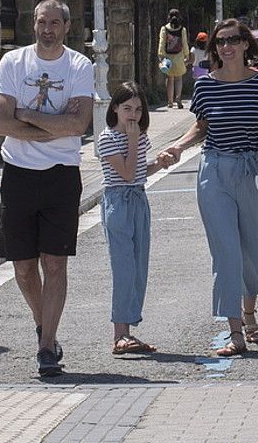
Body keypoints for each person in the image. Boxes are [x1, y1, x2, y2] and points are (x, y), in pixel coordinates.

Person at [158, 19, 258, 357]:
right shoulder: (205, 86)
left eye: (233, 40)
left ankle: (250, 315)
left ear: (245, 44)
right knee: (225, 250)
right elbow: (201, 128)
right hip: (215, 171)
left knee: (255, 247)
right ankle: (235, 331)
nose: (226, 47)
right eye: (220, 42)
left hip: (252, 169)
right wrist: (178, 146)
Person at [0, 0, 94, 377]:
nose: (47, 29)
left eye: (54, 23)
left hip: (62, 175)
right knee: (23, 267)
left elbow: (79, 125)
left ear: (66, 26)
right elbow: (1, 123)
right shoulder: (13, 63)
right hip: (18, 173)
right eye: (41, 22)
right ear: (32, 25)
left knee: (55, 262)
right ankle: (42, 322)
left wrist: (29, 115)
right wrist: (53, 125)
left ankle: (47, 346)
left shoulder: (79, 66)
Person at [97, 81, 173, 355]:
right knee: (124, 269)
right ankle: (120, 334)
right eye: (127, 108)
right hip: (118, 200)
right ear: (115, 108)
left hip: (139, 198)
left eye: (138, 109)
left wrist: (160, 163)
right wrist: (131, 140)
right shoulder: (107, 138)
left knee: (140, 267)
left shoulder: (139, 137)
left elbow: (139, 171)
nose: (133, 115)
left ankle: (128, 330)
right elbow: (125, 174)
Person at [157, 9, 190, 109]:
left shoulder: (164, 29)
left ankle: (170, 101)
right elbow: (184, 43)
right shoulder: (182, 29)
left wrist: (160, 54)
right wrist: (187, 54)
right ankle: (178, 98)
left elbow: (162, 42)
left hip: (168, 57)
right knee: (179, 78)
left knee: (170, 79)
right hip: (179, 56)